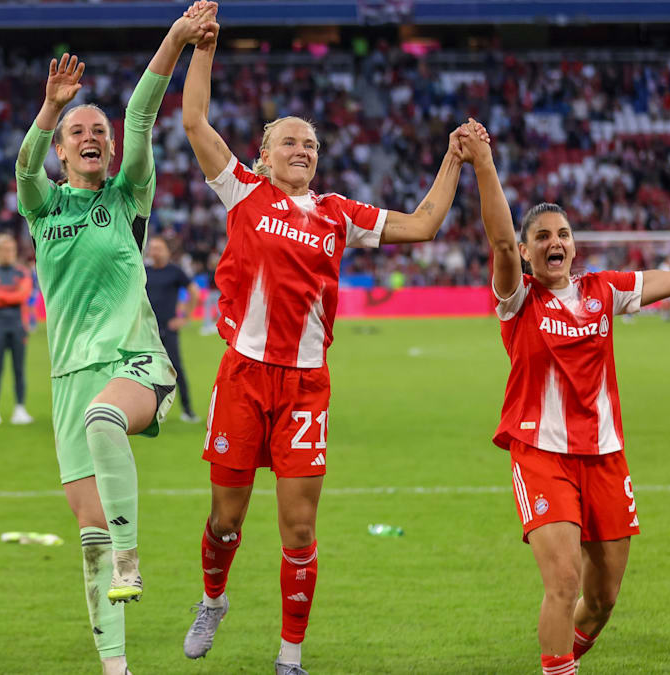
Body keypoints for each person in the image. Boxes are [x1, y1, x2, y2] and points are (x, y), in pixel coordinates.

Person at [178, 13, 472, 673]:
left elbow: (423, 225)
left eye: (310, 144)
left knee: (301, 528)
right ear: (263, 155)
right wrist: (204, 48)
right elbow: (195, 120)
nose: (302, 150)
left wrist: (454, 159)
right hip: (244, 376)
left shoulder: (340, 213)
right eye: (289, 141)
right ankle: (213, 598)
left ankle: (290, 657)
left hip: (307, 386)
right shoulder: (242, 192)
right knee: (226, 519)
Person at [460, 120, 670, 675]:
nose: (555, 243)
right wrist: (484, 161)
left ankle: (563, 658)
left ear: (574, 244)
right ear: (526, 250)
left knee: (601, 599)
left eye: (564, 234)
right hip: (541, 455)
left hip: (605, 457)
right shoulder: (518, 298)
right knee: (563, 581)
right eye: (543, 237)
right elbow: (498, 239)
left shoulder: (604, 290)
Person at [13, 7, 216, 673]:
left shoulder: (128, 197)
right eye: (78, 132)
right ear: (63, 149)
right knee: (90, 534)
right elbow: (23, 167)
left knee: (105, 421)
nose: (91, 136)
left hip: (136, 362)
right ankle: (115, 665)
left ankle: (132, 556)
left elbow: (140, 115)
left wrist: (177, 39)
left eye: (97, 130)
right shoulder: (45, 208)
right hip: (68, 379)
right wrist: (50, 109)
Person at [0, 232, 34, 426]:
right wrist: (11, 295)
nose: (7, 253)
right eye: (3, 250)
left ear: (15, 251)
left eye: (10, 250)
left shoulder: (22, 272)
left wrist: (0, 295)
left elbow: (22, 295)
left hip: (18, 326)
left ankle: (20, 409)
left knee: (19, 369)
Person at [145, 234, 201, 422]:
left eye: (158, 248)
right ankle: (153, 412)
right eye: (152, 248)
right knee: (148, 371)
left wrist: (184, 318)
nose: (154, 252)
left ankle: (188, 411)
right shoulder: (144, 271)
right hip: (148, 330)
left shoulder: (175, 271)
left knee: (175, 369)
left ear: (167, 251)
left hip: (168, 329)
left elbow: (194, 292)